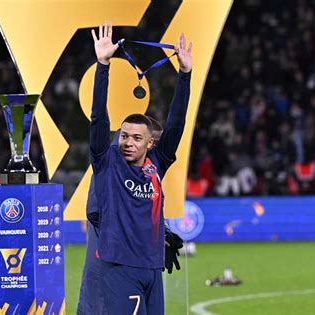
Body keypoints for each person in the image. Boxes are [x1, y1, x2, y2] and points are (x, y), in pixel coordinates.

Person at [89, 22, 192, 314]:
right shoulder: (107, 162)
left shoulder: (157, 164)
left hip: (152, 267)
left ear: (149, 143)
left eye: (136, 138)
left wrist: (185, 75)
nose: (127, 142)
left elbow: (176, 125)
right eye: (124, 135)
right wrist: (103, 65)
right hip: (120, 267)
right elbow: (98, 119)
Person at [77, 118, 166, 315]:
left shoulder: (142, 167)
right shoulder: (112, 164)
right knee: (98, 298)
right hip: (112, 246)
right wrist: (122, 232)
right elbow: (94, 209)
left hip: (125, 249)